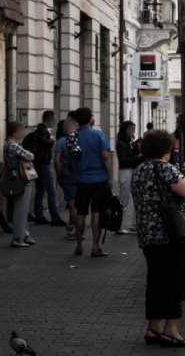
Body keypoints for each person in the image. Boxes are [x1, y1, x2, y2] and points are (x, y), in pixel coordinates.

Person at [131, 130, 185, 348]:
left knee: (156, 282)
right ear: (167, 150)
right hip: (169, 235)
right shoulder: (165, 169)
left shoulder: (140, 170)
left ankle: (153, 327)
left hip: (148, 236)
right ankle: (171, 330)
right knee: (174, 282)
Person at [73, 107, 114, 257]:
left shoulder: (73, 136)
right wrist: (110, 177)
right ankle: (95, 247)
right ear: (90, 119)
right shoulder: (98, 135)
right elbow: (105, 156)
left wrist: (78, 171)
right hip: (99, 179)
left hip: (82, 179)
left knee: (81, 212)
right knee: (97, 212)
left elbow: (72, 159)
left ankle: (78, 245)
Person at [4, 121, 37, 248]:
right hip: (20, 178)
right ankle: (18, 237)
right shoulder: (13, 145)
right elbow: (30, 156)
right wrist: (28, 153)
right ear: (15, 132)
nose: (24, 133)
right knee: (21, 208)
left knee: (21, 208)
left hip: (16, 178)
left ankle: (24, 234)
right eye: (22, 130)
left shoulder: (11, 144)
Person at [30, 110, 65, 226]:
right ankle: (54, 217)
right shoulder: (43, 131)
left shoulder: (38, 131)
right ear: (49, 119)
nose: (55, 122)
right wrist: (52, 141)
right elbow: (45, 144)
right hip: (44, 164)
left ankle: (39, 216)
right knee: (52, 191)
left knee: (40, 191)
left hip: (38, 164)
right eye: (54, 120)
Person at [54, 114, 79, 239]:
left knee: (72, 203)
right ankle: (71, 227)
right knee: (75, 203)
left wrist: (58, 173)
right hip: (80, 175)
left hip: (67, 174)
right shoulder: (78, 139)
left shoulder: (61, 141)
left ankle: (76, 230)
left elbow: (56, 160)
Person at [116, 121, 143, 234]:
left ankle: (134, 224)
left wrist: (135, 148)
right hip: (126, 172)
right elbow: (124, 160)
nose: (133, 131)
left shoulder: (126, 142)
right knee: (124, 200)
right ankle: (119, 225)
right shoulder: (122, 143)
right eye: (131, 128)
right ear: (125, 129)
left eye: (134, 128)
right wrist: (138, 156)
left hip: (129, 171)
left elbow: (128, 155)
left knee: (136, 197)